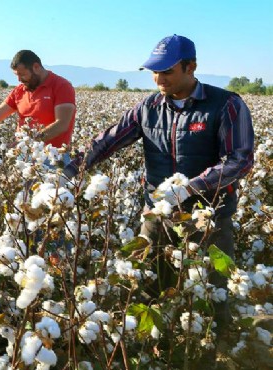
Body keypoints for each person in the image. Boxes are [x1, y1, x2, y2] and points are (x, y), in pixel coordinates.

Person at [63, 35, 254, 333]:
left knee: (211, 288)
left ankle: (212, 349)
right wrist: (70, 169)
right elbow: (109, 141)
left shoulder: (226, 104)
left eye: (167, 71)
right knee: (149, 280)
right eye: (155, 71)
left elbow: (239, 160)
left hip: (208, 217)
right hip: (158, 214)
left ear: (191, 67)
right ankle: (157, 346)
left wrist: (192, 187)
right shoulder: (148, 107)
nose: (158, 79)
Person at [0, 50, 76, 152]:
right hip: (23, 155)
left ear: (36, 67)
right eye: (16, 76)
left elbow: (62, 124)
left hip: (53, 157)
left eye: (22, 75)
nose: (19, 80)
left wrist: (28, 142)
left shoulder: (61, 86)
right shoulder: (20, 90)